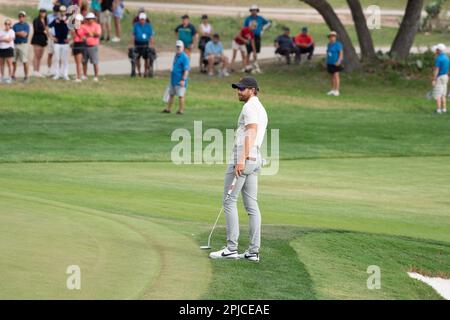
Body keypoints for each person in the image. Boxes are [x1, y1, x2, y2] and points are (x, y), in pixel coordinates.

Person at [209, 76, 267, 262]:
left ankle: (231, 248)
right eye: (238, 88)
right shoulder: (260, 107)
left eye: (242, 89)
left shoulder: (249, 107)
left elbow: (251, 132)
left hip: (244, 157)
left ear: (252, 90)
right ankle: (253, 252)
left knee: (229, 201)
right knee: (252, 205)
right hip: (256, 157)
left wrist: (241, 160)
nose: (238, 92)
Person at [161, 40, 190, 115]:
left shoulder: (184, 57)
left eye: (179, 47)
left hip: (180, 80)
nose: (178, 48)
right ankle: (168, 109)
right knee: (171, 94)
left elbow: (186, 70)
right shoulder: (176, 56)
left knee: (180, 95)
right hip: (173, 80)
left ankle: (181, 110)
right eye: (177, 47)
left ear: (183, 47)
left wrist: (183, 80)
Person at [243, 5, 270, 73]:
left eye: (255, 10)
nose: (254, 11)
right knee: (249, 51)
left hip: (257, 36)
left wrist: (263, 29)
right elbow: (244, 28)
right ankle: (247, 66)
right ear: (251, 11)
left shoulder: (260, 18)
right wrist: (246, 35)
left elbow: (268, 23)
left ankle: (255, 65)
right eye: (252, 10)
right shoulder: (248, 19)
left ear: (257, 11)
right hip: (249, 36)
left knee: (255, 51)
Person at [48, 5, 70, 80]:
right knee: (56, 58)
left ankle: (65, 74)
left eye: (63, 11)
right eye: (61, 11)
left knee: (65, 59)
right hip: (57, 42)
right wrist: (52, 37)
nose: (62, 13)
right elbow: (47, 28)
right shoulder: (56, 20)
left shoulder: (68, 20)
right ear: (59, 12)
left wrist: (69, 38)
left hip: (65, 42)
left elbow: (73, 30)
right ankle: (57, 74)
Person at [132, 12, 154, 77]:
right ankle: (139, 72)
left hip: (145, 43)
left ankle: (145, 71)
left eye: (143, 19)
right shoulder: (136, 25)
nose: (142, 20)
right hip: (138, 43)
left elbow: (151, 36)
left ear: (145, 19)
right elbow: (133, 35)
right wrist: (133, 44)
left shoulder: (148, 26)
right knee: (137, 58)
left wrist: (151, 44)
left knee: (146, 58)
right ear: (139, 19)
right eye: (141, 19)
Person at [82, 12, 102, 81]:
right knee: (84, 61)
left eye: (91, 19)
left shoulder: (97, 26)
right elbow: (82, 34)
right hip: (84, 45)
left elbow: (98, 34)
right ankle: (84, 75)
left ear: (93, 19)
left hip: (93, 46)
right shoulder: (84, 26)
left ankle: (96, 76)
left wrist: (91, 33)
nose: (89, 20)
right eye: (88, 19)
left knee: (95, 62)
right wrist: (90, 34)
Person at [12, 11, 30, 83]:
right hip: (15, 44)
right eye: (20, 16)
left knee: (24, 61)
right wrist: (20, 33)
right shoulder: (15, 25)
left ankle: (26, 76)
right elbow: (13, 34)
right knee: (13, 61)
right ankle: (13, 75)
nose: (21, 18)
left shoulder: (26, 25)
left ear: (24, 17)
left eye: (22, 16)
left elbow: (24, 35)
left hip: (23, 45)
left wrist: (18, 33)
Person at [432, 43, 449, 114]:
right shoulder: (447, 58)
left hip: (439, 77)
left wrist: (434, 79)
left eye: (436, 49)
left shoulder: (438, 59)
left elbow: (437, 70)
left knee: (438, 94)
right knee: (443, 94)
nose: (435, 50)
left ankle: (438, 110)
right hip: (446, 76)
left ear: (439, 50)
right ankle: (444, 109)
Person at [31, 8, 48, 78]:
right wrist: (43, 31)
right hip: (37, 39)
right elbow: (36, 29)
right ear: (39, 13)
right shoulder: (36, 20)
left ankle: (38, 71)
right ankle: (35, 71)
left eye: (44, 12)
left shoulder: (46, 20)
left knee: (40, 56)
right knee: (36, 55)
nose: (43, 13)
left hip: (43, 40)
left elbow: (47, 28)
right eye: (41, 12)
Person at [326, 31, 343, 96]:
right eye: (330, 37)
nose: (331, 38)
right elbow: (328, 53)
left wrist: (339, 61)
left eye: (333, 36)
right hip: (329, 62)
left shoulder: (338, 44)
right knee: (332, 76)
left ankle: (337, 90)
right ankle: (332, 89)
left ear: (335, 37)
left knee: (336, 76)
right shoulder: (329, 44)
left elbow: (341, 54)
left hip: (336, 62)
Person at [71, 13, 86, 82]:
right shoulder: (76, 27)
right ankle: (79, 75)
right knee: (77, 62)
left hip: (79, 44)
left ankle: (79, 77)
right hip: (76, 44)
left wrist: (73, 31)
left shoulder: (81, 27)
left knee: (78, 62)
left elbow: (77, 37)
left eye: (77, 20)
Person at [0, 19, 15, 84]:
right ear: (4, 24)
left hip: (9, 48)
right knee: (1, 64)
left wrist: (2, 39)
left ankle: (10, 78)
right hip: (1, 48)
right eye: (6, 24)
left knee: (9, 64)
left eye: (8, 24)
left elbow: (9, 40)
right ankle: (2, 77)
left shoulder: (12, 31)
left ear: (10, 25)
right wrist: (5, 39)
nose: (7, 25)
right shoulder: (1, 31)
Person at [46, 5, 60, 77]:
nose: (56, 12)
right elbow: (47, 27)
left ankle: (58, 71)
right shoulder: (49, 16)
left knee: (58, 55)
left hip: (59, 37)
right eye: (55, 11)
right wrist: (50, 37)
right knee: (50, 54)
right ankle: (49, 70)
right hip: (51, 37)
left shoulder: (61, 17)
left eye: (57, 11)